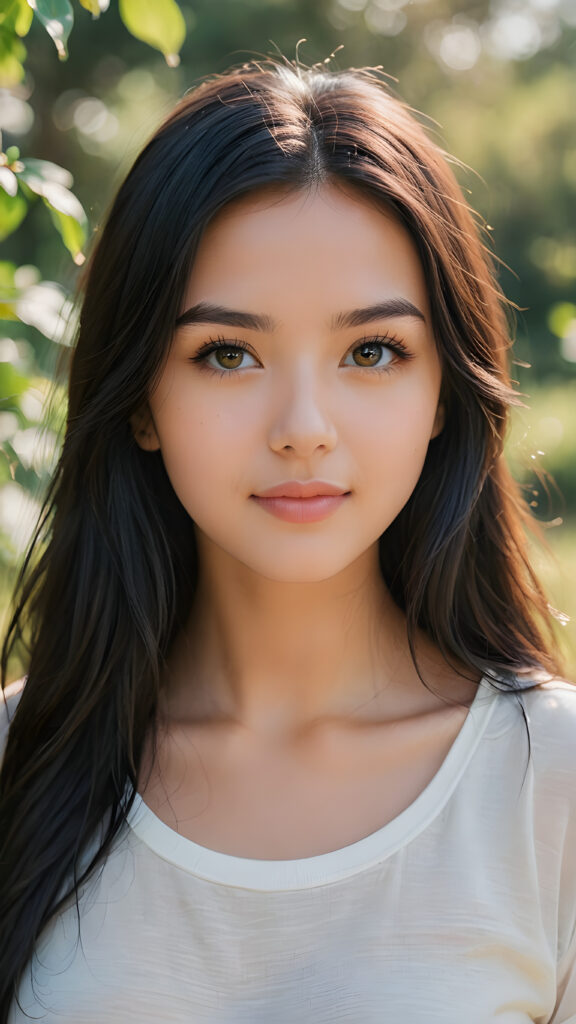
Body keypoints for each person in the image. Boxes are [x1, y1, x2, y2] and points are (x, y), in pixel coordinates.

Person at [0, 56, 574, 1023]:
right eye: (228, 353)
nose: (303, 424)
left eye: (372, 351)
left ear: (444, 394)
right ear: (140, 396)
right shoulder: (17, 768)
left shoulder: (550, 787)